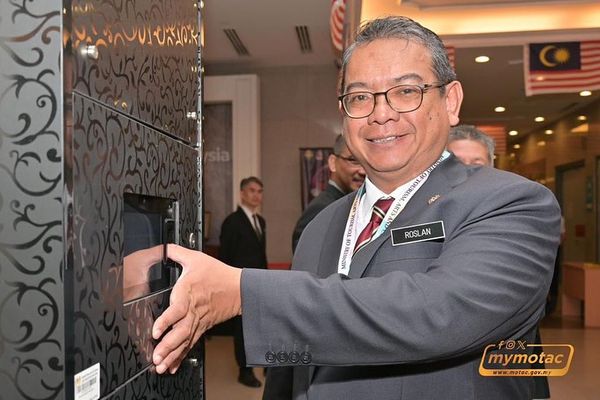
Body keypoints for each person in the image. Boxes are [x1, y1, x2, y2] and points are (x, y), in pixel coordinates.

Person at [150, 16, 561, 400]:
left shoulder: (510, 203)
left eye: (406, 92)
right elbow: (290, 365)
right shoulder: (321, 224)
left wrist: (243, 292)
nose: (381, 114)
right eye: (360, 97)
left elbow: (440, 312)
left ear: (450, 101)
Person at [219, 176, 267, 388]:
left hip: (259, 283)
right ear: (242, 194)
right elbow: (225, 257)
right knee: (243, 330)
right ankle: (244, 372)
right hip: (239, 284)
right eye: (252, 190)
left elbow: (260, 255)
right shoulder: (232, 222)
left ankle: (265, 364)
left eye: (260, 191)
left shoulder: (261, 221)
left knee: (259, 326)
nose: (257, 195)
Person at [291, 134, 366, 252]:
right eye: (353, 160)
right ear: (333, 163)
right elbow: (304, 257)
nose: (363, 171)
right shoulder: (322, 208)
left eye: (367, 162)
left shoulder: (359, 204)